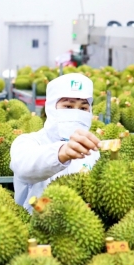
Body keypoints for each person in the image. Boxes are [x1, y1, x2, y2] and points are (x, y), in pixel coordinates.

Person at [10, 73, 101, 212]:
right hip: (34, 229)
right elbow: (24, 165)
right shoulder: (27, 142)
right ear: (51, 108)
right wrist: (61, 153)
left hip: (81, 228)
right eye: (68, 107)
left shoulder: (94, 151)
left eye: (83, 108)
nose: (76, 113)